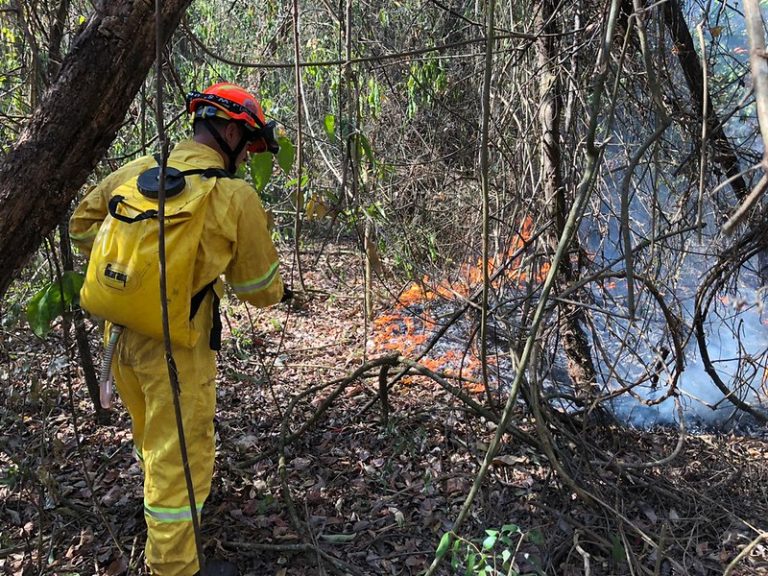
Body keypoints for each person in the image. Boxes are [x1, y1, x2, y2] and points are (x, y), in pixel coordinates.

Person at [69, 82, 288, 576]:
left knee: (153, 443)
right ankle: (173, 567)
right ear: (231, 131)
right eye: (247, 144)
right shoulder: (233, 197)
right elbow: (258, 288)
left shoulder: (138, 171)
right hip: (179, 352)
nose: (246, 156)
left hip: (121, 340)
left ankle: (169, 543)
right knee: (180, 466)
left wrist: (132, 270)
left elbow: (82, 227)